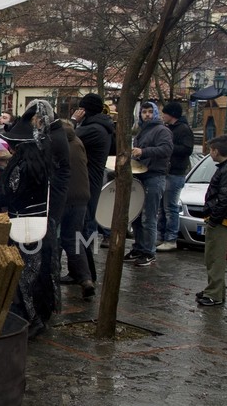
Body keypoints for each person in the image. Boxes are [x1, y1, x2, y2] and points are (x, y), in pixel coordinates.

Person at [0, 100, 56, 338]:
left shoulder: (21, 166)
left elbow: (9, 194)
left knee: (25, 279)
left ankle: (33, 320)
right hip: (42, 224)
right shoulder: (40, 161)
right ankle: (39, 317)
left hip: (25, 227)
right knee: (40, 275)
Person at [72, 93, 115, 279]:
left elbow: (66, 137)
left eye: (80, 109)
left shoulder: (94, 129)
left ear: (85, 110)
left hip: (88, 182)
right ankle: (83, 272)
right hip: (91, 181)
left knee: (84, 228)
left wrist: (73, 121)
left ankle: (84, 273)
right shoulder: (102, 126)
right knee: (84, 227)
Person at [196, 136, 227, 307]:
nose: (210, 153)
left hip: (220, 221)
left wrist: (214, 219)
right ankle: (215, 289)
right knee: (212, 257)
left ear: (216, 151)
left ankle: (214, 294)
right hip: (219, 219)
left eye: (210, 150)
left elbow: (225, 199)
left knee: (215, 258)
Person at [126, 101, 173, 267]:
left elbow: (166, 150)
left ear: (155, 113)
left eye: (149, 112)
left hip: (155, 176)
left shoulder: (162, 130)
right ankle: (138, 248)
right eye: (144, 112)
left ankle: (149, 252)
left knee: (150, 217)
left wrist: (143, 151)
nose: (147, 115)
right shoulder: (142, 131)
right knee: (137, 216)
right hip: (141, 175)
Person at [57, 119, 94, 299]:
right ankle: (86, 279)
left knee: (57, 239)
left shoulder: (58, 145)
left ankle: (52, 278)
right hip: (81, 197)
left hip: (63, 198)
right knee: (75, 240)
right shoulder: (78, 142)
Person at [157, 101, 195, 252]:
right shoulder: (169, 128)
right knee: (162, 207)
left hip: (176, 172)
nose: (163, 116)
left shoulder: (183, 129)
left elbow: (187, 149)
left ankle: (171, 238)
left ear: (171, 115)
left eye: (165, 113)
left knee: (170, 207)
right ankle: (161, 236)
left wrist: (168, 148)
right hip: (167, 171)